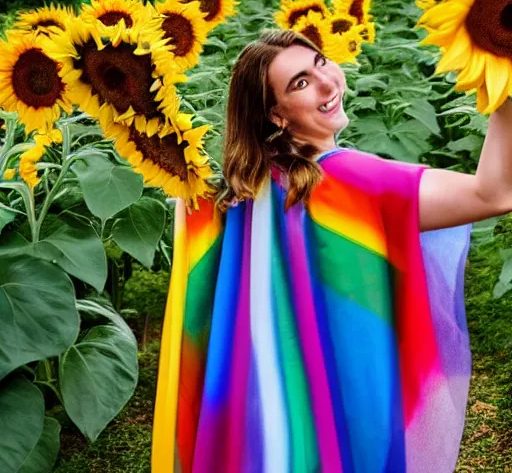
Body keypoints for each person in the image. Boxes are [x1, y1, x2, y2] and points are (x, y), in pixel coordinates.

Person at [152, 29, 512, 473]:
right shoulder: (352, 180)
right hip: (344, 400)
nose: (326, 83)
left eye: (320, 62)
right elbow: (494, 195)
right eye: (300, 83)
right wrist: (503, 82)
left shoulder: (247, 190)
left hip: (259, 410)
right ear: (276, 115)